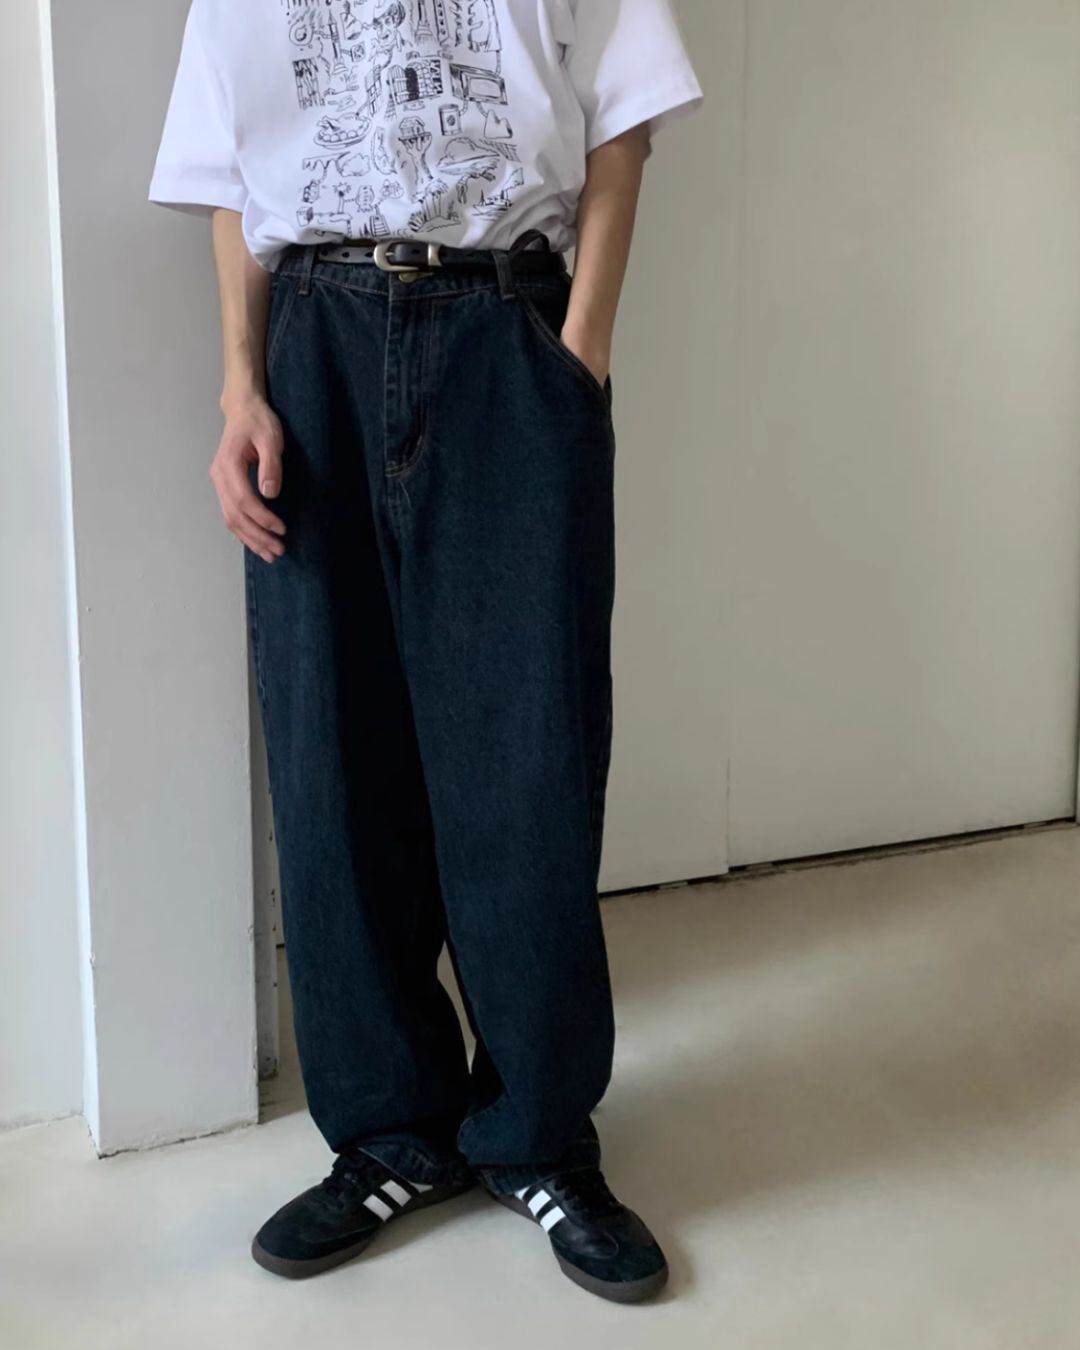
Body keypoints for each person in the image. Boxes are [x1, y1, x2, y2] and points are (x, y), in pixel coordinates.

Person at [151, 0, 701, 1305]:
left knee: (528, 753)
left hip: (507, 328)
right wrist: (240, 385)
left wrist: (579, 358)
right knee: (332, 758)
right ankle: (392, 1133)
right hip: (314, 347)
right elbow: (230, 170)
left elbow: (623, 125)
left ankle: (539, 1138)